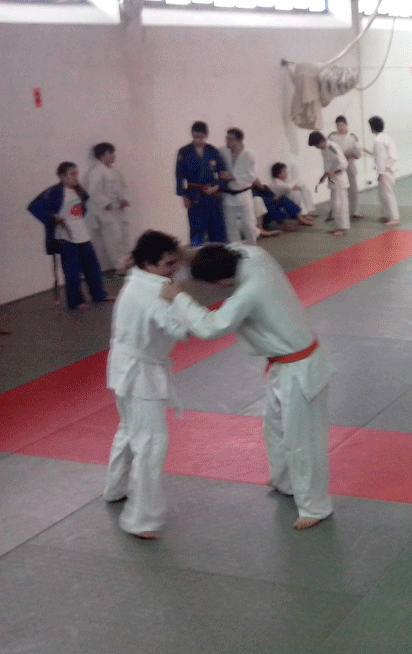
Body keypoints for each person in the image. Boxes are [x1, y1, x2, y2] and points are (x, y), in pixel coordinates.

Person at [161, 244, 335, 530]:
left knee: (302, 440)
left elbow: (210, 327)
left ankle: (316, 506)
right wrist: (187, 252)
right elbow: (226, 247)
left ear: (223, 282)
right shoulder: (253, 255)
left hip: (300, 369)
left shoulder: (250, 291)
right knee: (275, 428)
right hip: (284, 365)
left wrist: (178, 297)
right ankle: (286, 481)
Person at [103, 231, 187, 540]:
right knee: (151, 442)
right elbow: (178, 329)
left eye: (175, 262)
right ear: (149, 263)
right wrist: (178, 299)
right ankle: (140, 519)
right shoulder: (153, 292)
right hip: (140, 374)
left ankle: (115, 488)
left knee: (129, 430)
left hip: (123, 366)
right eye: (168, 264)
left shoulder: (138, 279)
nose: (174, 269)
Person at [27, 162, 113, 310]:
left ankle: (98, 294)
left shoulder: (79, 190)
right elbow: (33, 207)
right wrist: (53, 216)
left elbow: (81, 208)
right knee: (72, 271)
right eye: (72, 174)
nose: (75, 177)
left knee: (92, 266)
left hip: (82, 234)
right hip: (65, 237)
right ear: (62, 176)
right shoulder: (53, 192)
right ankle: (76, 301)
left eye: (76, 173)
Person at [175, 121, 229, 246]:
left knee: (217, 232)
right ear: (192, 135)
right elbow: (179, 175)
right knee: (197, 231)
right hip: (194, 196)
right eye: (195, 136)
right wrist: (184, 196)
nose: (198, 139)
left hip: (213, 195)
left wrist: (217, 186)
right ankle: (197, 253)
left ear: (206, 135)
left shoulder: (212, 150)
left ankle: (219, 253)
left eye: (201, 136)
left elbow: (223, 173)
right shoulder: (184, 152)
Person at [84, 142, 130, 270]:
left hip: (118, 210)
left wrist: (124, 199)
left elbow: (123, 188)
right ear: (101, 156)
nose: (113, 156)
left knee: (123, 236)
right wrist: (105, 203)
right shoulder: (96, 172)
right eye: (110, 153)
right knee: (114, 239)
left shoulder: (115, 172)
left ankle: (126, 263)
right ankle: (119, 266)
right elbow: (93, 191)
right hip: (107, 212)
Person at [219, 128, 260, 245]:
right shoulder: (222, 152)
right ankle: (235, 251)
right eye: (227, 138)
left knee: (249, 225)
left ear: (239, 141)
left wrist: (233, 177)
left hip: (244, 194)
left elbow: (252, 176)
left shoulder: (248, 156)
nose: (227, 141)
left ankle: (253, 248)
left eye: (230, 139)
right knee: (231, 227)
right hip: (228, 195)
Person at [307, 131, 350, 236]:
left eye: (317, 145)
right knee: (335, 205)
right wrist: (323, 176)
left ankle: (343, 228)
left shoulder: (332, 147)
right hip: (333, 180)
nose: (317, 148)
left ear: (322, 141)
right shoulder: (324, 149)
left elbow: (344, 164)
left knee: (341, 205)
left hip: (340, 180)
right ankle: (338, 227)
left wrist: (334, 172)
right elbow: (328, 165)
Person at [328, 115, 363, 219]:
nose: (340, 128)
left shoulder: (353, 137)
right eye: (337, 125)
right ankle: (334, 212)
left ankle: (355, 212)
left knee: (353, 191)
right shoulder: (332, 137)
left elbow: (358, 153)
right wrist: (342, 156)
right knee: (335, 191)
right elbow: (328, 152)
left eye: (341, 125)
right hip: (337, 167)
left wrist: (350, 155)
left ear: (346, 125)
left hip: (350, 166)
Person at [367, 116, 400, 226]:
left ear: (373, 127)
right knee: (383, 195)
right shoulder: (386, 138)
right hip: (388, 169)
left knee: (387, 194)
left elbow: (381, 158)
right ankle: (386, 215)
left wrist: (380, 173)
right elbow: (380, 155)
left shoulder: (378, 140)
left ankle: (394, 218)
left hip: (385, 171)